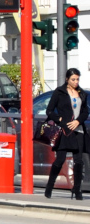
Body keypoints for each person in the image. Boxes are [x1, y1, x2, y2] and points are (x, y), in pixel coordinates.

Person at [44, 68, 87, 200]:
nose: (76, 82)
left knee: (78, 161)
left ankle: (77, 189)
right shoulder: (59, 92)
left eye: (77, 79)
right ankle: (50, 186)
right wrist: (60, 120)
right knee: (60, 160)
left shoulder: (82, 93)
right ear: (67, 79)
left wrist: (78, 121)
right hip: (64, 131)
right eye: (73, 79)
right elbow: (49, 110)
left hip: (78, 130)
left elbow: (86, 112)